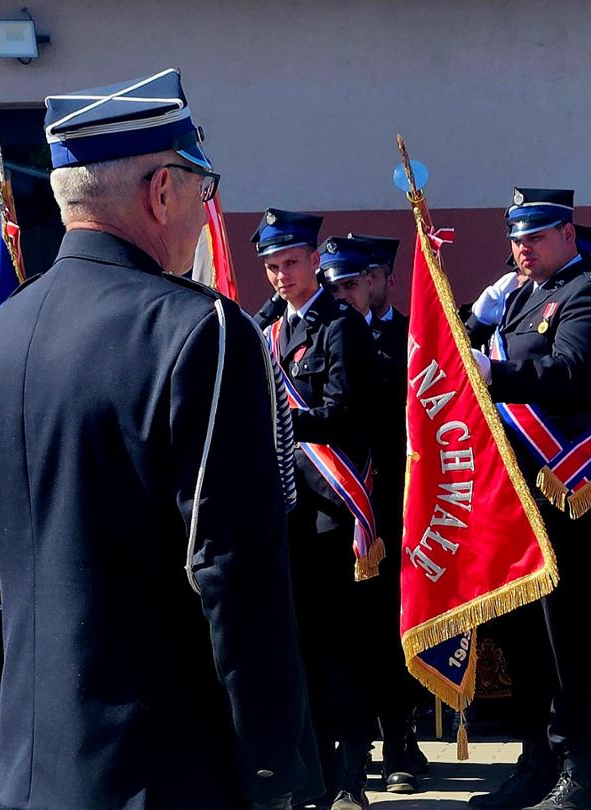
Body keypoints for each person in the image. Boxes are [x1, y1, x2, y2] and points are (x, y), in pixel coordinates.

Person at [0, 68, 316, 810]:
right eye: (200, 189)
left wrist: (31, 712)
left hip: (29, 769)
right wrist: (278, 758)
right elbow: (233, 568)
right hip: (167, 768)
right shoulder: (203, 331)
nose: (202, 210)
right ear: (161, 191)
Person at [461, 187, 591, 810]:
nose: (522, 249)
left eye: (534, 237)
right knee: (522, 633)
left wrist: (495, 373)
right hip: (514, 498)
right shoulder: (515, 300)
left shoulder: (590, 294)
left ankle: (579, 769)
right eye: (516, 238)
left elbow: (577, 374)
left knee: (571, 637)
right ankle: (533, 757)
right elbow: (455, 347)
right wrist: (475, 317)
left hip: (568, 495)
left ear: (566, 234)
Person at [254, 217, 384, 810]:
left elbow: (347, 414)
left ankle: (352, 774)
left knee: (340, 649)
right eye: (273, 266)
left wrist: (278, 418)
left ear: (314, 263)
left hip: (333, 508)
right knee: (299, 647)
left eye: (291, 263)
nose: (282, 276)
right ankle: (316, 771)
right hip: (286, 511)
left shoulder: (341, 328)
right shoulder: (265, 329)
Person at [326, 232, 434, 795]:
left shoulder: (412, 335)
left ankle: (401, 745)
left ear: (378, 278)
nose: (340, 294)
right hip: (340, 509)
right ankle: (351, 752)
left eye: (350, 282)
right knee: (348, 636)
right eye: (333, 284)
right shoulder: (318, 331)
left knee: (393, 632)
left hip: (395, 504)